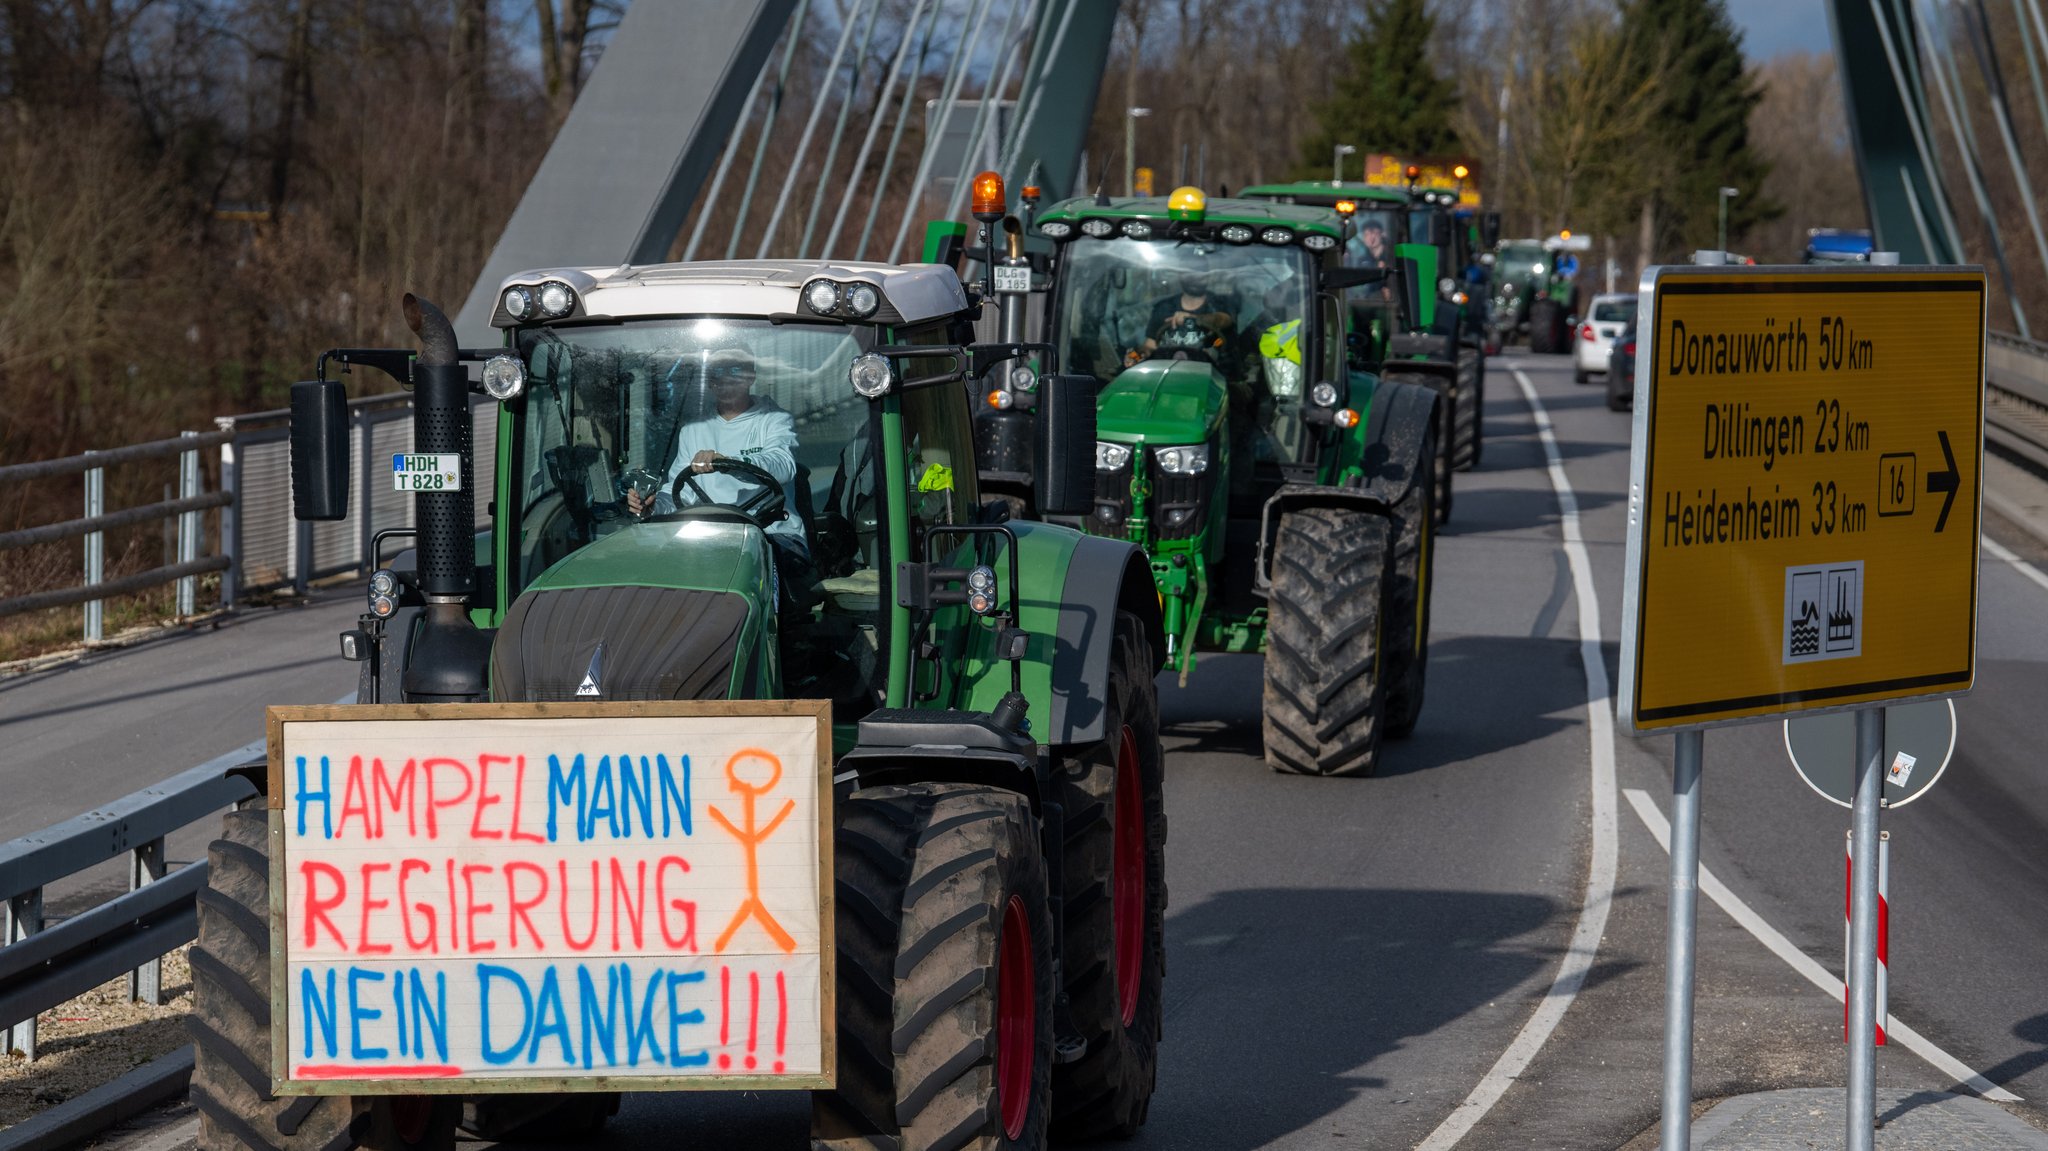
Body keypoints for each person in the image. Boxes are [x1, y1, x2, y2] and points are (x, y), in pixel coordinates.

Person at [626, 349, 813, 594]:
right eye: (717, 374)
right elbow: (677, 492)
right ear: (710, 382)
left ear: (751, 377)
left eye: (734, 372)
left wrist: (729, 463)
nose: (725, 381)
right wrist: (653, 506)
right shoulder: (693, 430)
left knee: (756, 572)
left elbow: (783, 464)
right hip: (710, 538)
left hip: (773, 534)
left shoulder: (774, 420)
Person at [1132, 270, 1235, 361]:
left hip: (1210, 374)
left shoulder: (1219, 303)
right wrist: (1139, 355)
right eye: (1190, 273)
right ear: (1180, 276)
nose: (1196, 277)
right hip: (1168, 373)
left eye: (1200, 272)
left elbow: (1224, 319)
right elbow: (1150, 345)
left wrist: (1194, 319)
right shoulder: (1164, 307)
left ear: (1208, 275)